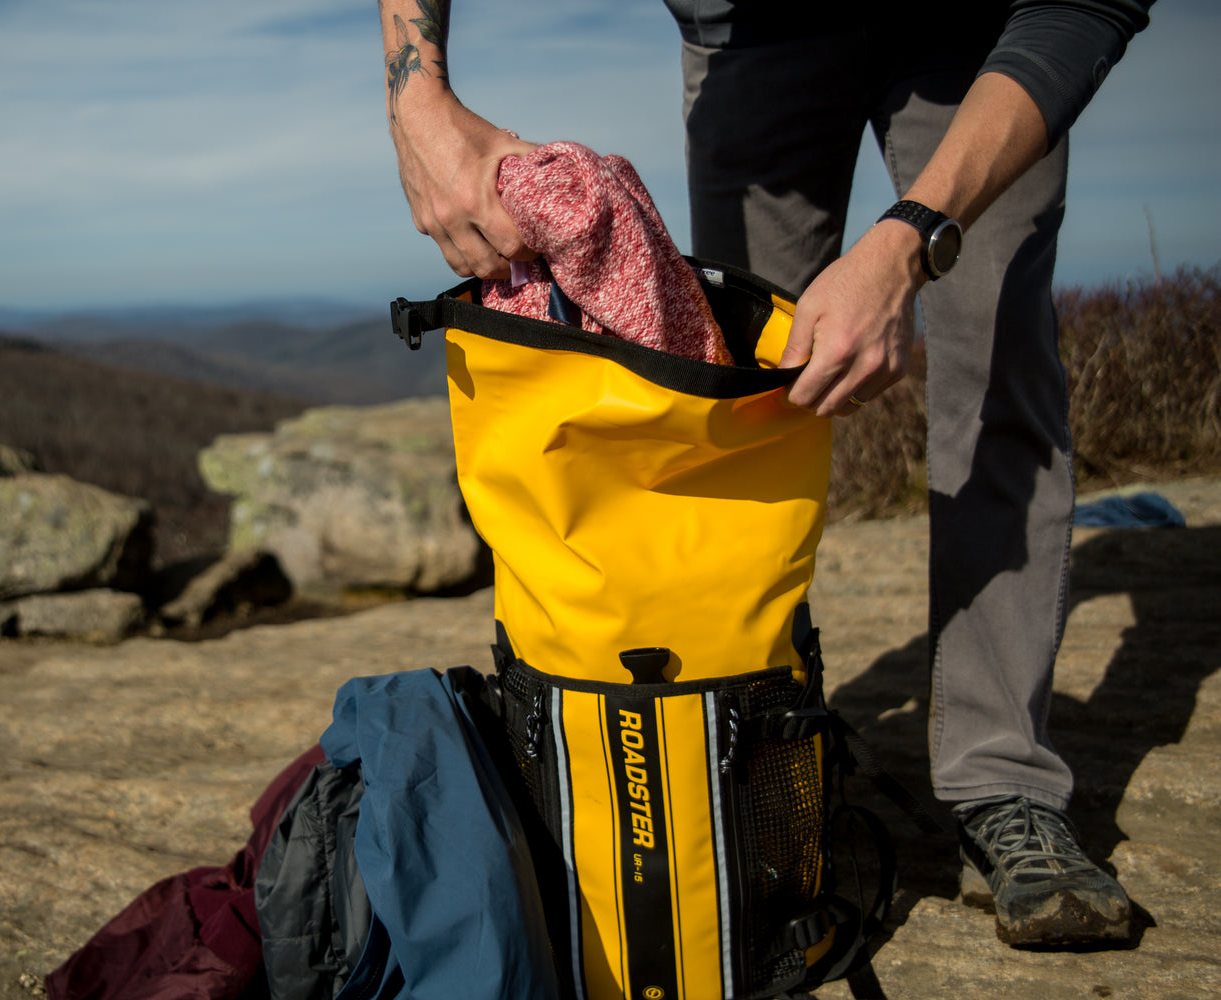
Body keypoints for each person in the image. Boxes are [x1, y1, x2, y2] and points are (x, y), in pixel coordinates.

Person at [376, 0, 1152, 948]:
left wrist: (909, 237)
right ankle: (747, 758)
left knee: (999, 369)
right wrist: (417, 94)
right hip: (751, 36)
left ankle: (1004, 781)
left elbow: (1087, 7)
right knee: (725, 406)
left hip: (980, 34)